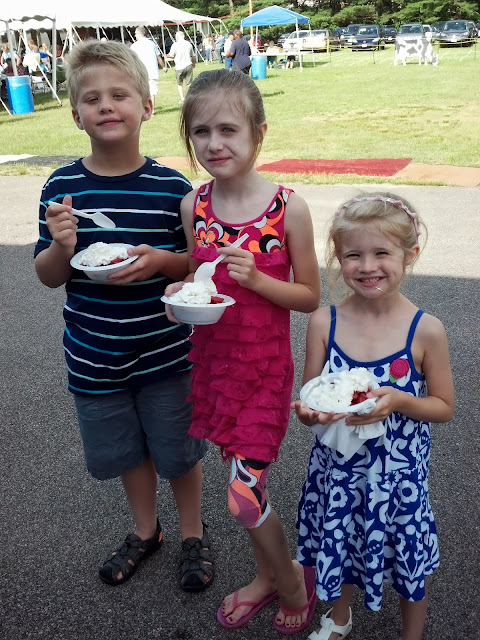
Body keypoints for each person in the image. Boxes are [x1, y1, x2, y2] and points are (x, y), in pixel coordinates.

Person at [33, 40, 213, 594]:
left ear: (147, 106)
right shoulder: (62, 189)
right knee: (128, 450)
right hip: (94, 353)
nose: (106, 106)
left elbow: (198, 265)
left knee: (177, 448)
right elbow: (48, 275)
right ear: (76, 115)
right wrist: (62, 246)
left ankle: (192, 533)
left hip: (167, 351)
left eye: (119, 95)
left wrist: (162, 261)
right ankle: (146, 530)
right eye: (92, 99)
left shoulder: (173, 189)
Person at [167, 69, 321, 633]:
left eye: (228, 129)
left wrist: (257, 279)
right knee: (244, 488)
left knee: (243, 496)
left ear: (259, 132)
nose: (214, 143)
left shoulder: (287, 208)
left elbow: (309, 297)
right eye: (201, 131)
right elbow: (197, 276)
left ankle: (292, 583)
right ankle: (265, 577)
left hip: (262, 373)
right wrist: (180, 296)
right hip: (214, 370)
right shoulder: (194, 206)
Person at [292, 193, 455, 640]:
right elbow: (311, 401)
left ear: (410, 254)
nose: (367, 266)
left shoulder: (425, 330)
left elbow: (443, 406)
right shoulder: (324, 322)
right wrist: (309, 413)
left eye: (382, 252)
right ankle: (340, 616)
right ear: (337, 257)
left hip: (398, 479)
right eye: (353, 255)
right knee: (342, 543)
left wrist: (399, 401)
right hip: (338, 472)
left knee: (406, 558)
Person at [130, 26, 166, 106]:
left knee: (141, 91)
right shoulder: (152, 44)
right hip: (152, 71)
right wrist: (163, 67)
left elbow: (131, 60)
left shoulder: (134, 46)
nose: (135, 35)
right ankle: (152, 109)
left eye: (135, 33)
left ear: (139, 33)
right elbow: (158, 57)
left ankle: (143, 107)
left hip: (140, 72)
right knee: (152, 92)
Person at [166, 32, 195, 104]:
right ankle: (193, 96)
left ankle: (182, 98)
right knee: (189, 83)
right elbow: (193, 55)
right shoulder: (188, 44)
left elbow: (171, 55)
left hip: (179, 66)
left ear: (177, 37)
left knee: (180, 84)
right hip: (188, 64)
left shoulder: (175, 45)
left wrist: (167, 55)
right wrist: (194, 63)